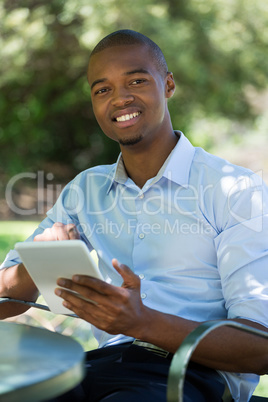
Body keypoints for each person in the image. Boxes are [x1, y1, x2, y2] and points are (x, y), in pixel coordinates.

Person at [1, 29, 268, 402]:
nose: (120, 98)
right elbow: (5, 301)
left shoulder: (235, 190)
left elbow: (260, 345)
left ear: (169, 84)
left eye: (136, 80)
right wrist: (36, 265)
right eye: (102, 89)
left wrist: (142, 322)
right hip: (98, 366)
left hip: (191, 376)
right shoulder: (85, 191)